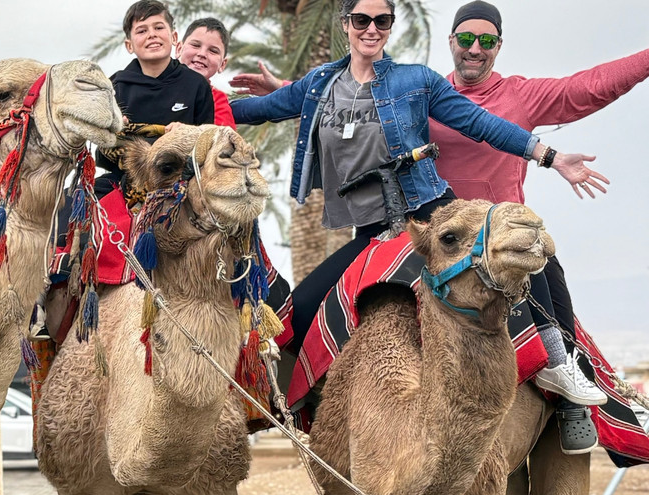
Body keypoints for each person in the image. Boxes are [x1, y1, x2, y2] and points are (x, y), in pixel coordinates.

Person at [227, 0, 608, 446]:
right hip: (372, 231)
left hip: (430, 211)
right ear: (346, 24)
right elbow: (255, 110)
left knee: (515, 235)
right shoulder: (318, 85)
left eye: (381, 20)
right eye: (361, 20)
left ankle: (560, 367)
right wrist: (192, 105)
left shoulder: (416, 82)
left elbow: (480, 123)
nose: (371, 28)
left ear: (390, 27)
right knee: (298, 311)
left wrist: (551, 156)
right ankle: (315, 412)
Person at [429, 0, 649, 451]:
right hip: (446, 241)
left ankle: (570, 400)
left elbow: (587, 87)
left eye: (486, 41)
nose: (475, 48)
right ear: (451, 41)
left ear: (498, 47)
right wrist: (290, 91)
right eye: (466, 38)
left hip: (507, 238)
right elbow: (357, 97)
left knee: (554, 286)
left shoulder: (520, 96)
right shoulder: (426, 95)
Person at [96, 0, 216, 195]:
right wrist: (113, 130)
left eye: (159, 27)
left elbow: (208, 143)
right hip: (122, 181)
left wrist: (188, 134)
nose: (152, 34)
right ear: (129, 45)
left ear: (174, 37)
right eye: (142, 31)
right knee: (68, 207)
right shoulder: (115, 86)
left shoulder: (196, 84)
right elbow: (103, 153)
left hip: (182, 183)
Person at [176, 17, 234, 127]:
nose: (202, 54)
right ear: (179, 49)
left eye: (213, 51)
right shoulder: (155, 84)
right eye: (195, 45)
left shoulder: (217, 101)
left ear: (222, 64)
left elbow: (222, 139)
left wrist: (184, 132)